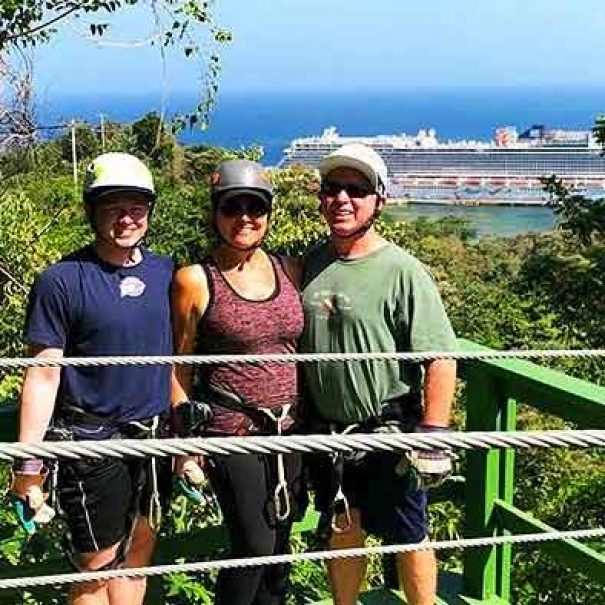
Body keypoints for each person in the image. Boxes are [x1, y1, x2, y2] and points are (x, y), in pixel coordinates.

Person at [11, 152, 174, 605]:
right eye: (112, 207)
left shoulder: (166, 273)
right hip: (91, 444)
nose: (126, 217)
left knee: (139, 550)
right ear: (93, 212)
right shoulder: (61, 281)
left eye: (136, 207)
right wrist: (28, 463)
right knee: (96, 565)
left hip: (155, 440)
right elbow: (42, 375)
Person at [300, 143, 458, 605]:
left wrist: (432, 434)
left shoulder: (403, 271)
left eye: (357, 189)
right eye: (332, 189)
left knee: (409, 534)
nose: (342, 199)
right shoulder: (311, 262)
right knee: (343, 531)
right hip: (329, 434)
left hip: (389, 429)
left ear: (379, 200)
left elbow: (441, 357)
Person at [171, 159, 306, 605]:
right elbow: (180, 367)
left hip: (290, 430)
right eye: (233, 207)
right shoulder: (196, 279)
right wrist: (186, 448)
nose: (245, 217)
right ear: (215, 213)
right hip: (233, 430)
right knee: (254, 546)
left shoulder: (291, 269)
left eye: (256, 207)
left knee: (279, 552)